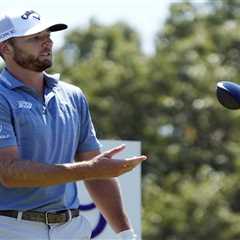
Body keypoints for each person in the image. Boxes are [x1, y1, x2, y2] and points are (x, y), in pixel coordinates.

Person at [0, 9, 147, 240]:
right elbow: (9, 172)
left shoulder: (73, 95)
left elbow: (96, 170)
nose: (47, 42)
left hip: (71, 229)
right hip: (12, 228)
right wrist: (89, 170)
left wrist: (127, 235)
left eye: (47, 35)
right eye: (34, 38)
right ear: (5, 48)